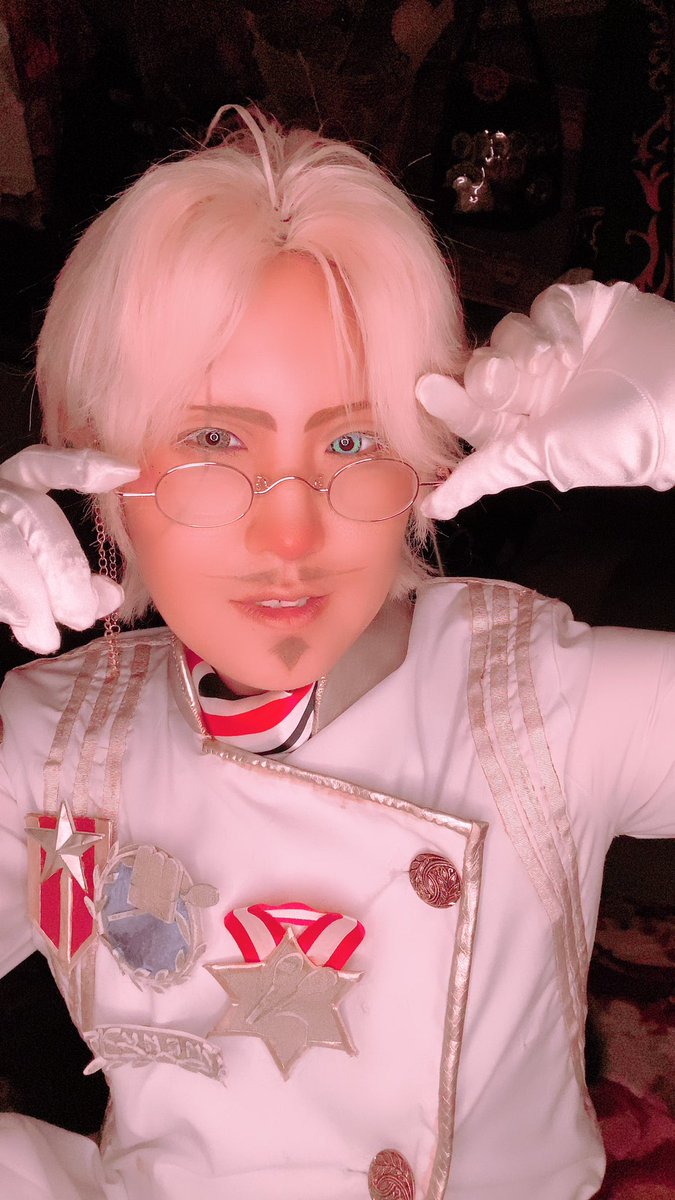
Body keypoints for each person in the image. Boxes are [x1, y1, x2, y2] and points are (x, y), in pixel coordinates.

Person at [0, 106, 673, 1200]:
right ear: (95, 451)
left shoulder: (539, 702)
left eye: (352, 442)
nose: (290, 535)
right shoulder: (51, 748)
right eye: (213, 441)